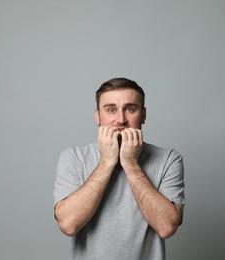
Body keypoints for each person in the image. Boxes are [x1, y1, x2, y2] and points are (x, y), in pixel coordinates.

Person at [53, 77, 185, 260]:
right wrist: (107, 161)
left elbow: (166, 227)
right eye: (111, 110)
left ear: (143, 115)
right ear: (97, 116)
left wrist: (131, 163)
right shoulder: (74, 158)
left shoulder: (169, 159)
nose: (121, 119)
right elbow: (68, 225)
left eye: (130, 109)